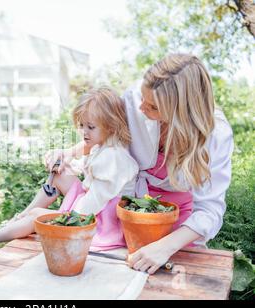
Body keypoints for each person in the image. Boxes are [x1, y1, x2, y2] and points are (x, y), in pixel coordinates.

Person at [46, 53, 234, 274]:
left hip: (179, 223)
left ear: (180, 112)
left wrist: (164, 248)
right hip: (129, 210)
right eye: (143, 98)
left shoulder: (215, 135)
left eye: (153, 107)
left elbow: (209, 210)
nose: (142, 108)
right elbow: (110, 134)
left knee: (175, 281)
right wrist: (70, 152)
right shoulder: (135, 100)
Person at [0, 86, 139, 250]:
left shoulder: (113, 158)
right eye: (81, 125)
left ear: (110, 126)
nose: (84, 132)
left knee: (37, 217)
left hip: (102, 222)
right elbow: (85, 171)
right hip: (94, 208)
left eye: (90, 127)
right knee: (60, 174)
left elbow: (90, 206)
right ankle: (19, 219)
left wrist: (61, 218)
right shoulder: (102, 146)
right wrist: (65, 162)